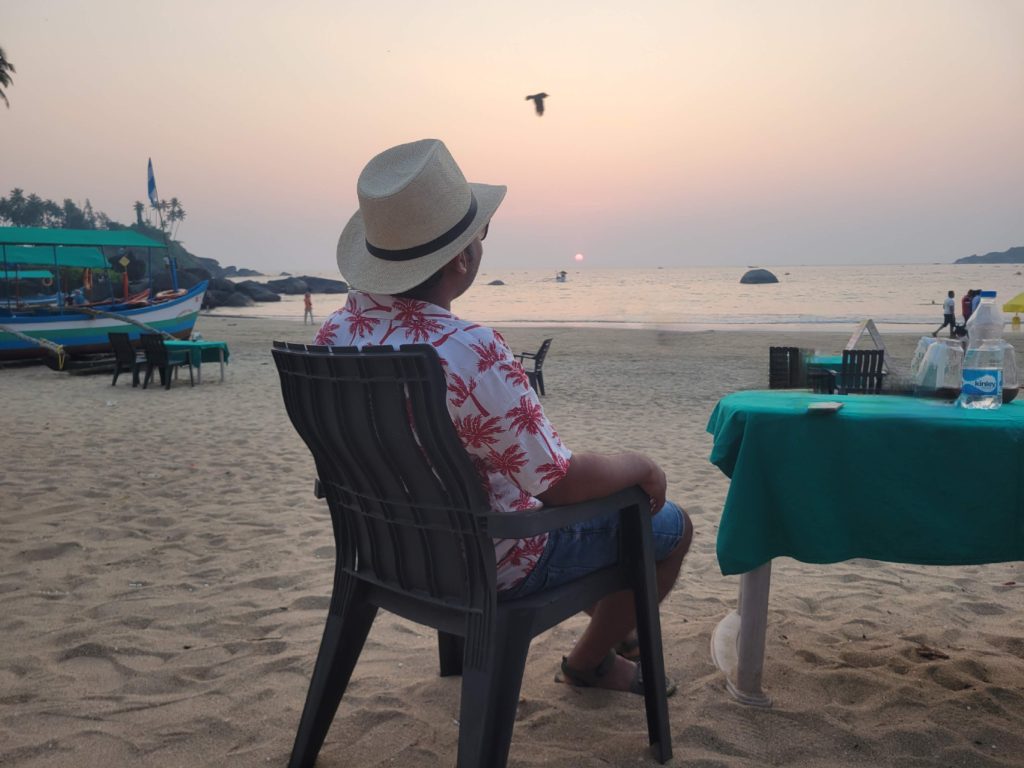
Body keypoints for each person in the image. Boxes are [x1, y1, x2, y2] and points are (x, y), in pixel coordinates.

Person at [316, 139, 691, 695]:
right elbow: (558, 484)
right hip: (486, 562)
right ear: (463, 258)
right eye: (479, 236)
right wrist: (641, 466)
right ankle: (590, 663)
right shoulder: (469, 350)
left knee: (600, 524)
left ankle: (619, 625)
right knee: (666, 526)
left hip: (385, 551)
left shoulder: (335, 334)